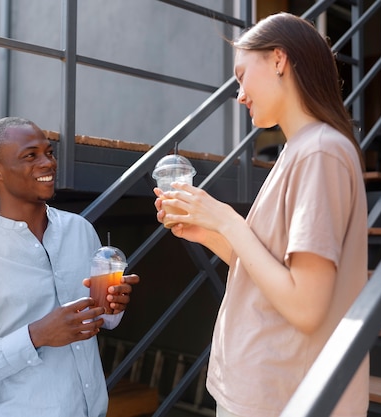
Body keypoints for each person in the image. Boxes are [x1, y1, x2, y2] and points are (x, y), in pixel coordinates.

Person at [154, 12, 368, 417]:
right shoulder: (299, 150)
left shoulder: (320, 152)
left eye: (241, 75)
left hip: (285, 397)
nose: (239, 95)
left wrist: (228, 220)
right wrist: (206, 230)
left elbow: (305, 306)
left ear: (278, 59)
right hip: (266, 391)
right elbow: (269, 270)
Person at [0, 116, 140, 417]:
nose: (47, 163)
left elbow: (103, 320)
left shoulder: (81, 231)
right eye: (31, 156)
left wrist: (112, 306)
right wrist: (35, 336)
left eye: (49, 152)